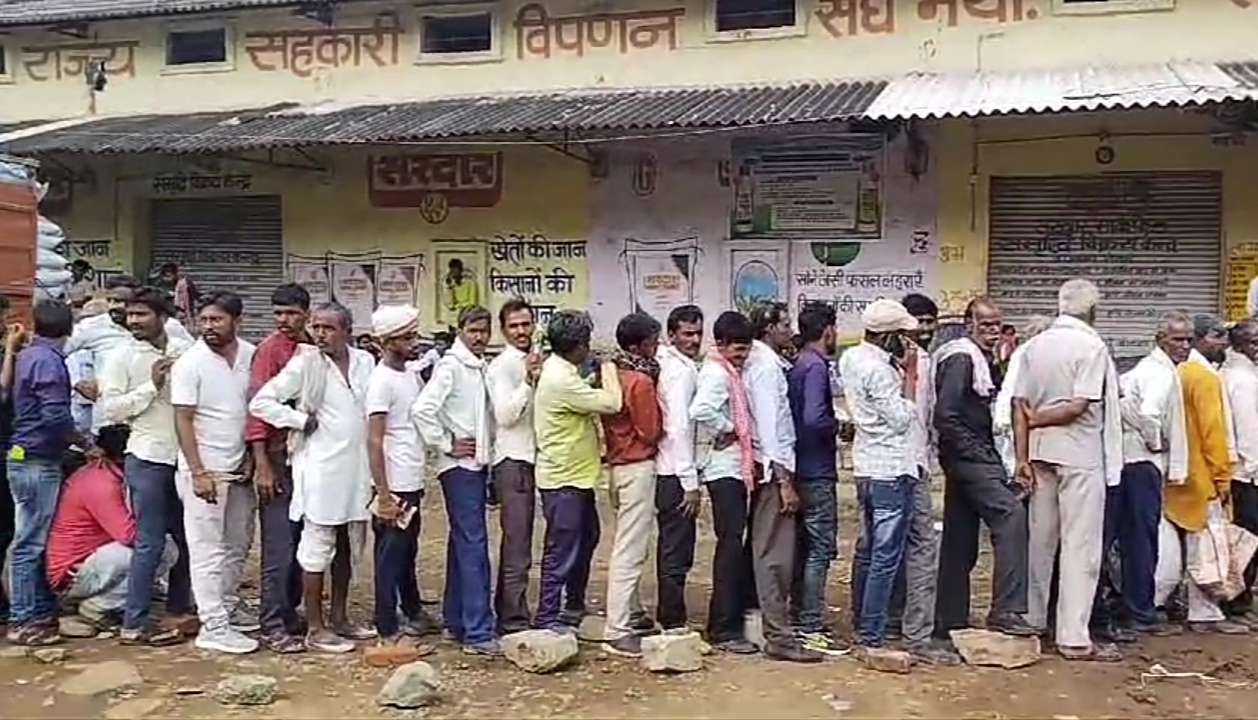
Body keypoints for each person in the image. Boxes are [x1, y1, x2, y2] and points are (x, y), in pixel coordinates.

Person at [250, 302, 377, 654]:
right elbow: (261, 402)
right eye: (316, 327)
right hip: (320, 468)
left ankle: (339, 618)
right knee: (317, 544)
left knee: (348, 541)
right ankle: (316, 626)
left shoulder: (365, 361)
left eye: (328, 328)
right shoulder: (306, 362)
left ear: (347, 331)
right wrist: (298, 420)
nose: (320, 333)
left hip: (357, 468)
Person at [1013, 278, 1124, 662]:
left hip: (1042, 454)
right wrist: (1043, 419)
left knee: (1040, 541)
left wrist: (1022, 456)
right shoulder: (1091, 345)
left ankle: (1032, 620)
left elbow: (1019, 405)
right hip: (1079, 454)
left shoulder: (1035, 345)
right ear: (1093, 310)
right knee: (1080, 546)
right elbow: (1080, 404)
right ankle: (1073, 637)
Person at [931, 298, 1036, 648]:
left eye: (996, 326)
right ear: (968, 324)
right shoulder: (962, 358)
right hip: (970, 458)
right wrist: (981, 455)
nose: (991, 332)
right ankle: (1006, 608)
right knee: (1010, 515)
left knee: (959, 538)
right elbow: (947, 416)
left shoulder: (981, 359)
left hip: (966, 457)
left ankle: (949, 618)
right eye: (985, 325)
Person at [98, 286, 194, 647]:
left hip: (182, 459)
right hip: (148, 457)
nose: (134, 320)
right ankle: (134, 624)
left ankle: (178, 610)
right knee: (150, 543)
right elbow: (111, 410)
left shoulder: (183, 351)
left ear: (162, 317)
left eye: (142, 314)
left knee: (187, 539)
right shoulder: (120, 356)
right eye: (131, 314)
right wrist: (151, 386)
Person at [171, 292, 260, 654]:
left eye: (216, 320)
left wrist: (254, 458)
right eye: (204, 320)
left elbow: (254, 410)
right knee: (206, 548)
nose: (208, 327)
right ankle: (213, 625)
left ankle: (227, 605)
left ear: (236, 321)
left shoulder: (251, 356)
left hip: (239, 469)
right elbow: (183, 419)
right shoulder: (190, 363)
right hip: (205, 471)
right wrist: (197, 471)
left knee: (238, 543)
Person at [874, 292, 958, 664]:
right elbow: (905, 417)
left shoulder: (921, 360)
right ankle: (914, 634)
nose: (923, 330)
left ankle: (893, 624)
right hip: (898, 467)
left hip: (910, 464)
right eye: (917, 322)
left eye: (929, 322)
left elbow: (928, 416)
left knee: (894, 549)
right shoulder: (895, 364)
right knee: (915, 548)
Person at [840, 299, 922, 670]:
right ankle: (871, 634)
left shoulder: (852, 359)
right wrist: (910, 376)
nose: (907, 341)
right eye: (902, 334)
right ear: (888, 335)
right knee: (885, 557)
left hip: (867, 466)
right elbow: (903, 418)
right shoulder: (881, 370)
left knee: (870, 550)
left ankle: (864, 623)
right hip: (891, 467)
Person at [413, 306, 497, 656]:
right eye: (473, 330)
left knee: (463, 543)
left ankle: (456, 621)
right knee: (474, 545)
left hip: (474, 465)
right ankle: (478, 632)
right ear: (460, 330)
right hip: (459, 467)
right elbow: (422, 409)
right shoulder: (451, 367)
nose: (479, 336)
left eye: (484, 331)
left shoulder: (478, 366)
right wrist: (446, 443)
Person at [533, 310, 621, 634]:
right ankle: (547, 618)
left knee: (587, 538)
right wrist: (609, 367)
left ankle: (573, 606)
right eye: (587, 343)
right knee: (562, 549)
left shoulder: (563, 370)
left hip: (576, 475)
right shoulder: (560, 379)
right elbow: (612, 403)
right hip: (563, 479)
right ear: (577, 346)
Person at [1105, 312, 1190, 637]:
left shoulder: (1147, 370)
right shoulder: (1160, 374)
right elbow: (1149, 415)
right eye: (1177, 339)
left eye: (1187, 339)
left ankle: (1126, 605)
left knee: (1123, 538)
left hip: (1126, 463)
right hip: (1141, 465)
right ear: (1160, 340)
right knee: (1141, 541)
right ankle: (1141, 611)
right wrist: (1157, 441)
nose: (1183, 346)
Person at [1162, 315, 1248, 635]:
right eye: (1215, 336)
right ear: (1197, 339)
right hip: (1201, 476)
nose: (1222, 342)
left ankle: (1165, 607)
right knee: (1206, 549)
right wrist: (1222, 476)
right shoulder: (1203, 376)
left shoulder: (1177, 371)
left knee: (1172, 550)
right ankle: (1204, 613)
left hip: (1175, 474)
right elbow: (1214, 432)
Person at [6, 301, 82, 646]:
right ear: (70, 328)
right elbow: (55, 417)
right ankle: (24, 620)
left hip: (24, 456)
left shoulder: (28, 356)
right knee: (29, 542)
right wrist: (85, 443)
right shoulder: (49, 363)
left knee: (30, 539)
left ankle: (36, 611)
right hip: (37, 458)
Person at [48, 429, 176, 630]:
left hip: (90, 561)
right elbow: (130, 536)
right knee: (163, 547)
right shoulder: (101, 483)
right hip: (72, 573)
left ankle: (122, 597)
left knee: (155, 543)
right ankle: (100, 606)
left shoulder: (107, 473)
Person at [743, 302, 814, 663]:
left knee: (768, 550)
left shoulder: (762, 360)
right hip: (774, 470)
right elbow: (771, 428)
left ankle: (765, 624)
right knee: (775, 554)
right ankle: (778, 635)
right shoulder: (766, 367)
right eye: (784, 324)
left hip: (768, 467)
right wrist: (784, 480)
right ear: (768, 328)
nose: (790, 330)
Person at [246, 283, 315, 654]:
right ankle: (271, 623)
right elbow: (256, 410)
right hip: (276, 457)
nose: (284, 320)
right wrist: (262, 465)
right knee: (278, 545)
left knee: (304, 540)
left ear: (306, 312)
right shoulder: (270, 351)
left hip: (307, 457)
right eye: (278, 313)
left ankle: (289, 614)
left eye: (291, 313)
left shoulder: (311, 347)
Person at [365, 305, 437, 652]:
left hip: (410, 477)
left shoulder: (408, 373)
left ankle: (413, 611)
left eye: (414, 335)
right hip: (393, 483)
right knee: (390, 554)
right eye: (406, 338)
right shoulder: (381, 382)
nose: (414, 342)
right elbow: (375, 439)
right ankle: (387, 626)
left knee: (407, 550)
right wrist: (383, 493)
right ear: (385, 342)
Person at [691, 311, 759, 655]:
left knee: (733, 545)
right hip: (724, 471)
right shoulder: (718, 373)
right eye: (737, 349)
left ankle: (728, 622)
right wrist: (729, 428)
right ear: (720, 345)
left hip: (733, 469)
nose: (742, 356)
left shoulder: (728, 370)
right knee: (730, 548)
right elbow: (700, 409)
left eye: (746, 350)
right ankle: (723, 628)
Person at [601, 312, 665, 657]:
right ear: (639, 346)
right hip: (636, 465)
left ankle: (633, 611)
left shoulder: (610, 373)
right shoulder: (640, 382)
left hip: (614, 465)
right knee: (631, 549)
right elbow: (650, 430)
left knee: (624, 541)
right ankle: (617, 628)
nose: (657, 349)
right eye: (653, 343)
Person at [787, 302, 842, 654]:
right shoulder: (816, 367)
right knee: (821, 548)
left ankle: (801, 617)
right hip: (817, 470)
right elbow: (812, 419)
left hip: (800, 467)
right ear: (828, 331)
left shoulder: (799, 365)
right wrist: (838, 425)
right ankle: (810, 624)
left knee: (806, 546)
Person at [485, 299, 541, 636]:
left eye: (526, 324)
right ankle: (512, 619)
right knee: (517, 543)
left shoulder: (537, 359)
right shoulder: (502, 367)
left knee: (527, 541)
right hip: (513, 460)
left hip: (537, 458)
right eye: (514, 326)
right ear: (504, 331)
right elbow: (505, 416)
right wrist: (528, 381)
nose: (521, 331)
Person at [654, 305, 704, 635]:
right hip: (675, 471)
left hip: (665, 468)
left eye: (698, 333)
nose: (695, 340)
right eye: (687, 334)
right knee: (677, 547)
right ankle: (672, 619)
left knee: (671, 545)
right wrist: (690, 482)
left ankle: (669, 613)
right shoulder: (681, 372)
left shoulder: (668, 363)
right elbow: (679, 427)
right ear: (672, 335)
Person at [1223, 318, 1258, 627]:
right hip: (1246, 473)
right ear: (1239, 345)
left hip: (1239, 471)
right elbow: (1248, 431)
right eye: (1254, 343)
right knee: (1247, 538)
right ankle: (1239, 602)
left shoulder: (1232, 373)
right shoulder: (1244, 380)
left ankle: (1240, 599)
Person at [67, 299, 109, 440]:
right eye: (83, 320)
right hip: (74, 419)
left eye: (91, 320)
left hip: (99, 421)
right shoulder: (72, 348)